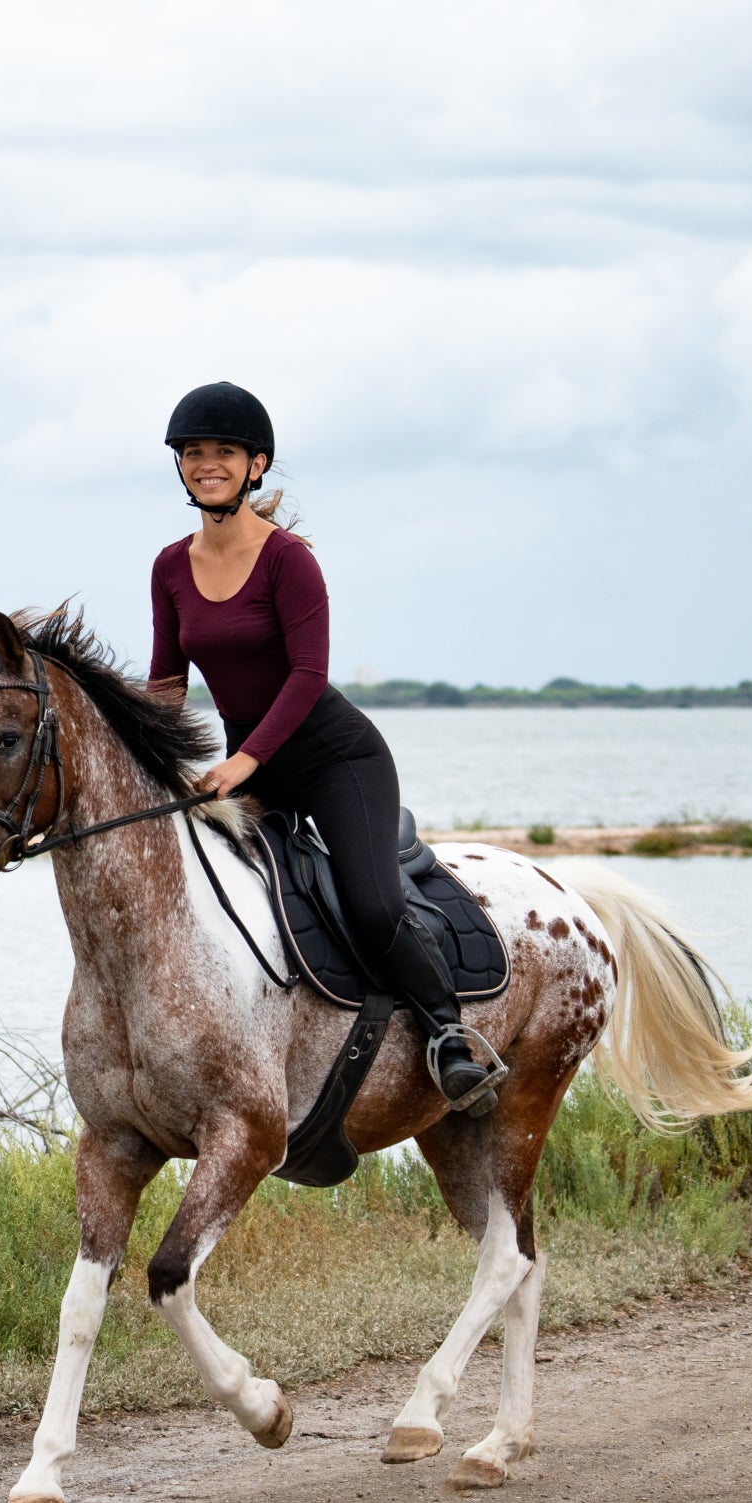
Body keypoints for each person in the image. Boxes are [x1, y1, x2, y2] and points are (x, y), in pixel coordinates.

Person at [145, 382, 503, 1117]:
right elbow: (166, 681)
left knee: (372, 907)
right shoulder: (169, 568)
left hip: (337, 758)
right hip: (249, 760)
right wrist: (150, 764)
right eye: (193, 453)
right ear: (180, 467)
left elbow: (310, 676)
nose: (206, 464)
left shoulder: (288, 562)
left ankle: (449, 1037)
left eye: (223, 452)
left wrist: (245, 763)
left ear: (256, 465)